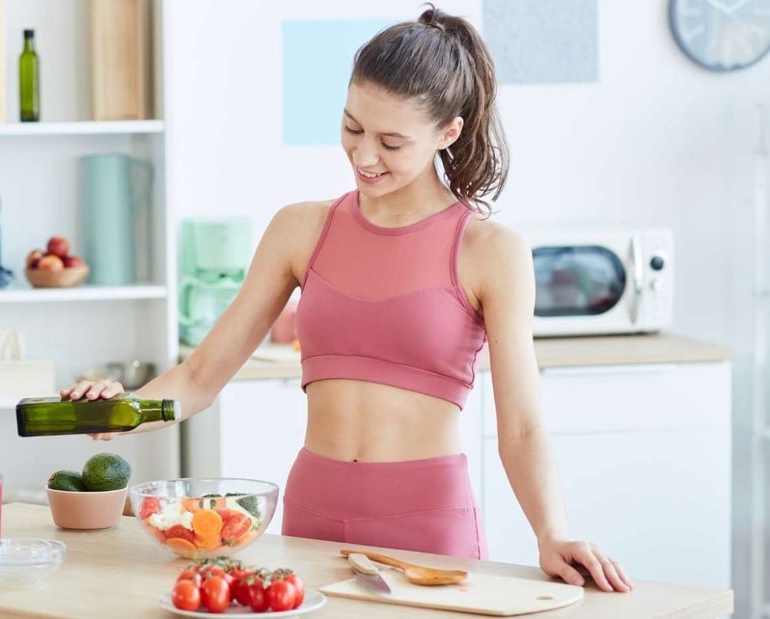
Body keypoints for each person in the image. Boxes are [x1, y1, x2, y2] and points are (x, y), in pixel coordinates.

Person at [62, 5, 632, 593]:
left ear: (448, 132)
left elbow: (521, 427)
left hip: (428, 527)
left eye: (390, 142)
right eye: (352, 127)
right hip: (311, 519)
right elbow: (201, 377)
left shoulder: (491, 251)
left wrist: (551, 532)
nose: (363, 156)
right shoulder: (300, 228)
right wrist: (120, 413)